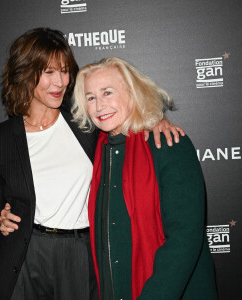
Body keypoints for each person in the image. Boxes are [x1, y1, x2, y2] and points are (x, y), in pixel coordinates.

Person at [0, 28, 184, 300]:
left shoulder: (85, 123)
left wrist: (156, 119)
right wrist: (1, 219)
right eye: (49, 72)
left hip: (79, 252)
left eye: (64, 71)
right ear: (25, 72)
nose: (60, 82)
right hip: (24, 256)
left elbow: (124, 109)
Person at [70, 57, 218, 299]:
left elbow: (184, 239)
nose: (99, 106)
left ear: (132, 93)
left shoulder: (167, 144)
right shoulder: (98, 151)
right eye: (91, 97)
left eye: (107, 93)